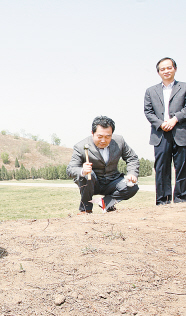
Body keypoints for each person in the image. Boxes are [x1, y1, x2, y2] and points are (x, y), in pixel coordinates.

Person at [66, 116, 139, 214]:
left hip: (112, 182)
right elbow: (70, 169)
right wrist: (82, 171)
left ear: (112, 134)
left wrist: (132, 173)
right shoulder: (80, 146)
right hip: (92, 183)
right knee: (89, 174)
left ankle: (106, 203)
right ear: (92, 133)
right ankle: (85, 209)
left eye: (107, 136)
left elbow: (132, 157)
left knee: (132, 186)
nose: (103, 140)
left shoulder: (119, 141)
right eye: (99, 137)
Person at [144, 57, 186, 205]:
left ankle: (181, 199)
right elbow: (148, 112)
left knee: (182, 167)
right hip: (160, 134)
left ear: (175, 69)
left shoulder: (184, 87)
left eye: (169, 68)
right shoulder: (151, 91)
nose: (166, 71)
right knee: (161, 168)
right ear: (158, 72)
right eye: (163, 69)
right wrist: (161, 124)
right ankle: (163, 201)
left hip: (181, 132)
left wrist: (175, 119)